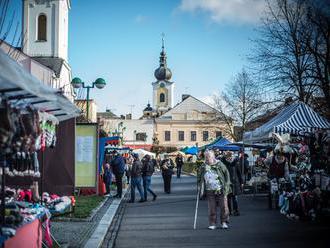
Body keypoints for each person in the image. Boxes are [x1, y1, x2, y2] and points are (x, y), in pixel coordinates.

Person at [198, 150, 231, 230]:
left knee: (224, 206)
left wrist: (226, 186)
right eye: (206, 157)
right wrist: (200, 185)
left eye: (208, 157)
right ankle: (212, 223)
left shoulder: (220, 164)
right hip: (210, 190)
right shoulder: (203, 166)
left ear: (213, 157)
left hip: (220, 189)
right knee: (212, 208)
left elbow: (227, 175)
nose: (207, 158)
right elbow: (199, 177)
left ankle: (224, 222)